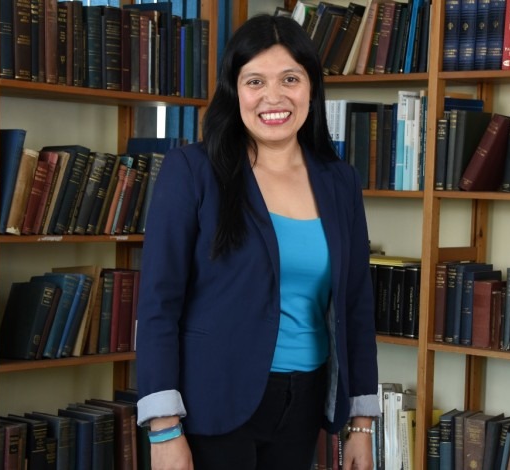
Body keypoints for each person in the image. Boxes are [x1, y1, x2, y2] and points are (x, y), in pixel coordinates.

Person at [135, 13, 380, 470]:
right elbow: (158, 305)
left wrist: (362, 423)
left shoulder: (339, 181)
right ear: (234, 89)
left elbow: (355, 306)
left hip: (305, 401)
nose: (274, 97)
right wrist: (164, 429)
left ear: (311, 87)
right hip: (213, 402)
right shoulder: (192, 171)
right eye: (255, 81)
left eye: (290, 78)